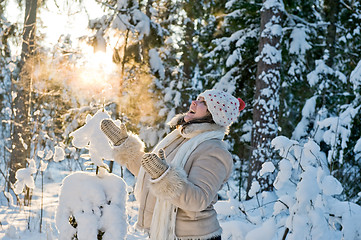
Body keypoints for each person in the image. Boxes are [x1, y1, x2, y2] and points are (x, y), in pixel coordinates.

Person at [100, 89, 245, 240]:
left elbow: (198, 199)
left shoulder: (214, 150)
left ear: (214, 115)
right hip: (166, 233)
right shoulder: (180, 139)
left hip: (194, 237)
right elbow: (150, 171)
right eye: (197, 99)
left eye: (204, 103)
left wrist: (164, 177)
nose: (194, 102)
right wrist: (125, 146)